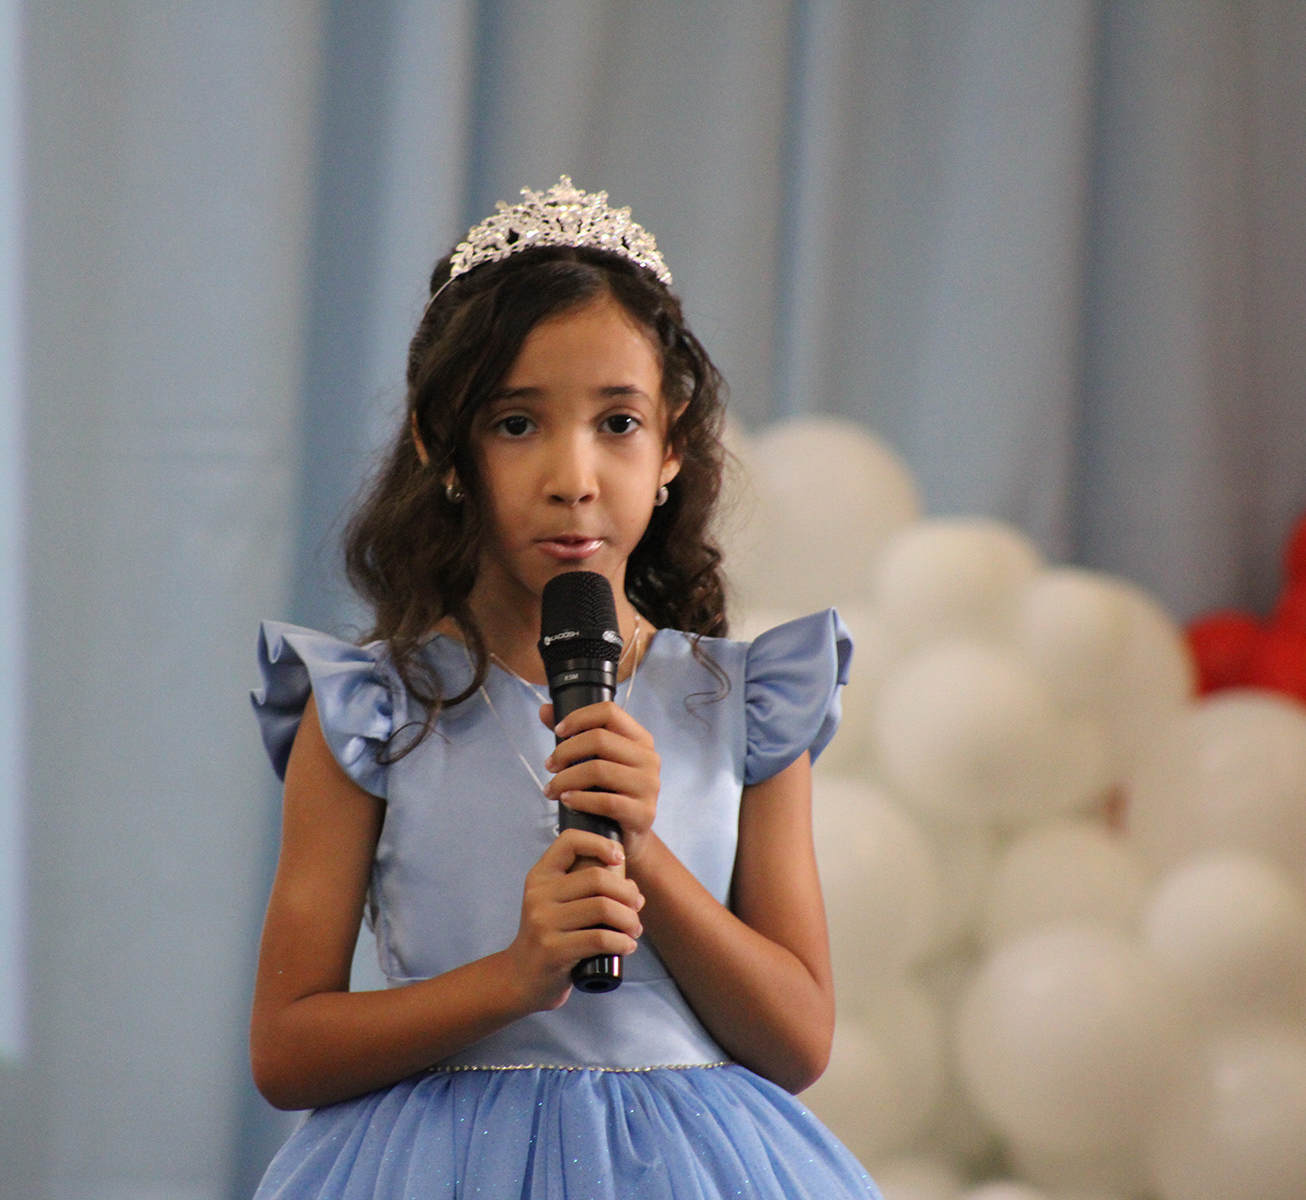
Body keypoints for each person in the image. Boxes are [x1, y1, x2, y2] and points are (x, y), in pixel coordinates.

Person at [250, 179, 880, 1198]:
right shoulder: (371, 711)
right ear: (441, 445)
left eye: (618, 422)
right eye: (516, 424)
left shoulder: (748, 702)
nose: (573, 476)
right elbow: (286, 1050)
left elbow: (798, 1039)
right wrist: (510, 979)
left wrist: (642, 849)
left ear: (672, 445)